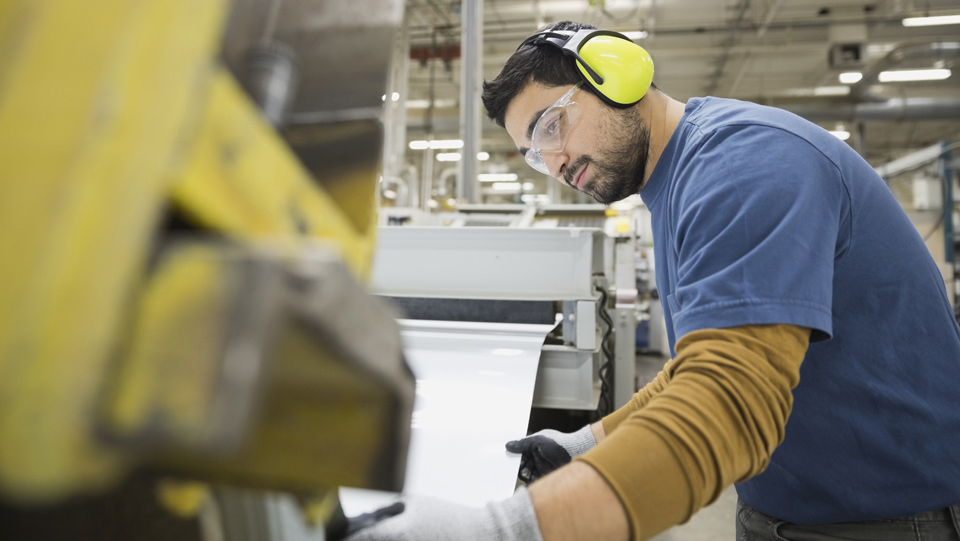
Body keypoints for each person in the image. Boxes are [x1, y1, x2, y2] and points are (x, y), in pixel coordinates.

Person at [344, 20, 960, 541]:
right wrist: (585, 442)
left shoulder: (743, 167)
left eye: (551, 127)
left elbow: (730, 406)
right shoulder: (677, 183)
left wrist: (501, 528)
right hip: (793, 508)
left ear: (619, 74)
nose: (552, 164)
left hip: (888, 520)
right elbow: (697, 364)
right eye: (533, 154)